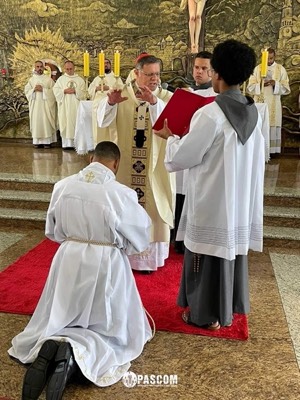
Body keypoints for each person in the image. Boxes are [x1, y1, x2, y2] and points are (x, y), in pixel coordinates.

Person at [8, 141, 152, 399]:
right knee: (105, 328)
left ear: (90, 159)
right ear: (115, 164)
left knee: (61, 312)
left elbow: (52, 231)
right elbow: (140, 237)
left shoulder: (62, 187)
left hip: (68, 257)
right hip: (105, 259)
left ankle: (54, 344)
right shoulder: (121, 194)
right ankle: (74, 352)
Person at [154, 39, 266, 330]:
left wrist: (172, 138)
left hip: (213, 203)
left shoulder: (211, 114)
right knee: (229, 253)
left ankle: (204, 315)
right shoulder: (254, 113)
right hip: (238, 203)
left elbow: (183, 157)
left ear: (216, 73)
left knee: (202, 259)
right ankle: (228, 307)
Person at [97, 55, 175, 272]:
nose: (154, 79)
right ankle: (125, 257)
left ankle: (148, 261)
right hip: (126, 165)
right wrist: (110, 103)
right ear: (137, 73)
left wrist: (153, 104)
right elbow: (102, 122)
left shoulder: (166, 98)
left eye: (157, 74)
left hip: (154, 167)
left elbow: (170, 126)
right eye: (149, 74)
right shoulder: (121, 95)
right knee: (125, 206)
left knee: (154, 204)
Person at [174, 51, 217, 254]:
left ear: (213, 71)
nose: (199, 72)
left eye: (203, 68)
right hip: (182, 146)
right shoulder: (186, 93)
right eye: (196, 68)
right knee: (180, 192)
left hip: (201, 153)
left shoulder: (217, 98)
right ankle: (178, 239)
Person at [247, 48, 290, 154]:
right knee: (260, 124)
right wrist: (261, 84)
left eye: (271, 58)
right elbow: (250, 87)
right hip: (260, 102)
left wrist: (276, 84)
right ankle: (259, 150)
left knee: (272, 123)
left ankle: (272, 151)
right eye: (267, 58)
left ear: (274, 57)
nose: (269, 61)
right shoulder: (257, 69)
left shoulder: (280, 69)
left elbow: (286, 88)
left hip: (274, 103)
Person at [53, 60, 86, 150]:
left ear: (74, 68)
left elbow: (85, 93)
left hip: (77, 107)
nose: (69, 70)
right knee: (66, 123)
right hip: (65, 107)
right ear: (64, 69)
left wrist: (76, 91)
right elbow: (55, 91)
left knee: (76, 123)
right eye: (67, 69)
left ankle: (77, 144)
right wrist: (64, 91)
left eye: (71, 69)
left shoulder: (80, 80)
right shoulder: (61, 80)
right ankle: (67, 144)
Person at [24, 60, 57, 149]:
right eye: (37, 67)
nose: (39, 69)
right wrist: (33, 90)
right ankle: (37, 142)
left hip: (46, 107)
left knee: (45, 121)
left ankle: (47, 142)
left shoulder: (49, 80)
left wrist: (44, 90)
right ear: (35, 68)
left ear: (44, 68)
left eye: (41, 67)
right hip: (35, 106)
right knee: (36, 121)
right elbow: (27, 91)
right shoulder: (31, 80)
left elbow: (54, 92)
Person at [88, 59, 118, 148]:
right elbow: (89, 92)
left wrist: (108, 88)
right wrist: (96, 89)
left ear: (111, 65)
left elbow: (121, 89)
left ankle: (112, 146)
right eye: (103, 63)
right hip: (98, 107)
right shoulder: (97, 79)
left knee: (111, 127)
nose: (105, 65)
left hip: (111, 106)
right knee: (98, 128)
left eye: (107, 63)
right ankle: (98, 147)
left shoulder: (116, 78)